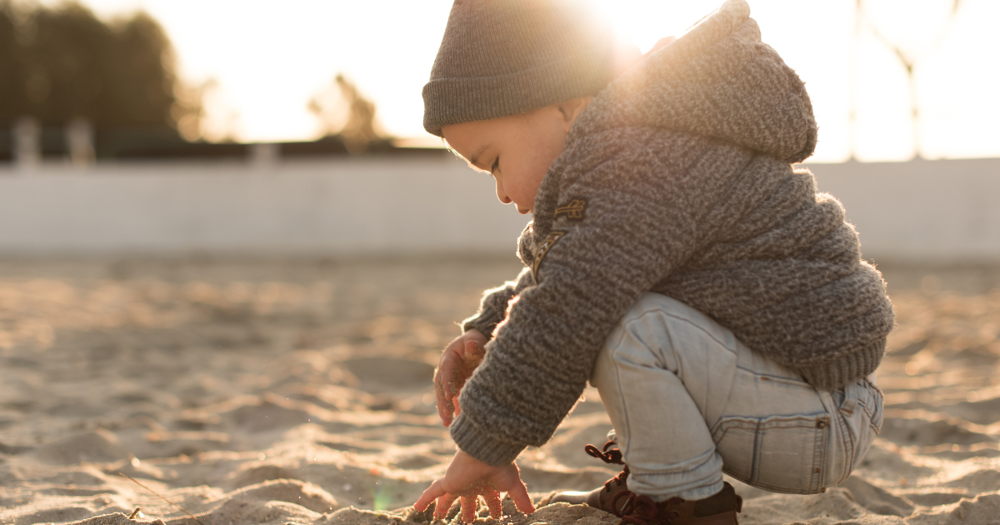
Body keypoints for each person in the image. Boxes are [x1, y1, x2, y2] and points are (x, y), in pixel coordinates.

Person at [413, 1, 894, 524]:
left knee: (623, 325)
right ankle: (660, 483)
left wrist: (483, 449)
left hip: (816, 412)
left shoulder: (644, 159)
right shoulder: (638, 151)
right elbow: (570, 267)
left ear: (565, 106)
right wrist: (489, 330)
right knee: (617, 308)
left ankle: (684, 503)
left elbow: (570, 301)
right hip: (801, 397)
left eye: (495, 162)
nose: (502, 193)